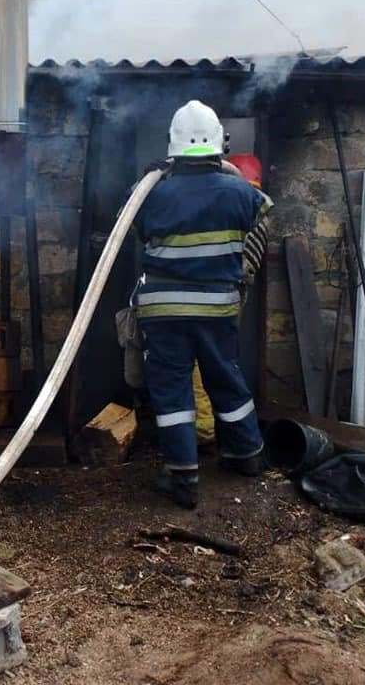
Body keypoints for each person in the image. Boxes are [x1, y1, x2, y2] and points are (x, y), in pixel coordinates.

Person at [134, 100, 272, 509]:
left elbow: (135, 228)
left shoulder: (151, 193)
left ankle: (184, 479)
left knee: (172, 388)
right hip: (217, 307)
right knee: (225, 376)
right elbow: (262, 215)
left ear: (172, 146)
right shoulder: (241, 192)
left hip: (164, 312)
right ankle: (247, 454)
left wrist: (150, 183)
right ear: (219, 144)